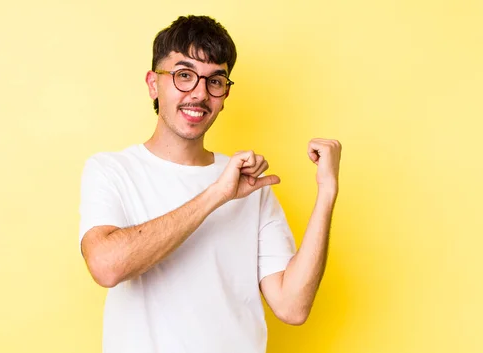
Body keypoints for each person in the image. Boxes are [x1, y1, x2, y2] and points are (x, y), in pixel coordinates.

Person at [78, 15, 342, 353]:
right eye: (184, 75)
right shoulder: (111, 170)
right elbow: (106, 266)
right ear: (153, 83)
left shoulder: (252, 188)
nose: (200, 94)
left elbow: (292, 307)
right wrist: (218, 193)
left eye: (215, 81)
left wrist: (327, 191)